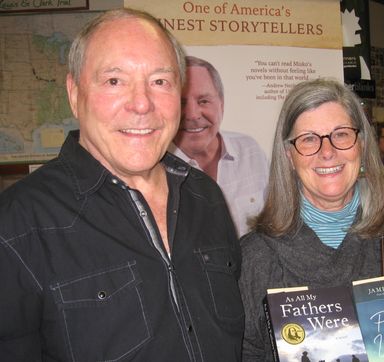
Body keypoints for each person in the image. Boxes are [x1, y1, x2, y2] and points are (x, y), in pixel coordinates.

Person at [0, 8, 243, 361]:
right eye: (114, 81)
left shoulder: (206, 197)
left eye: (160, 81)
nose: (142, 104)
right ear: (74, 92)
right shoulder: (16, 225)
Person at [238, 78, 384, 361]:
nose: (327, 151)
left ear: (361, 144)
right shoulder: (254, 258)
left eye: (341, 134)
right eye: (309, 138)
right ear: (289, 155)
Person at [170, 56, 269, 237]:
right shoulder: (155, 168)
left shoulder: (250, 150)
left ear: (221, 104)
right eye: (181, 103)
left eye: (203, 101)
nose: (192, 115)